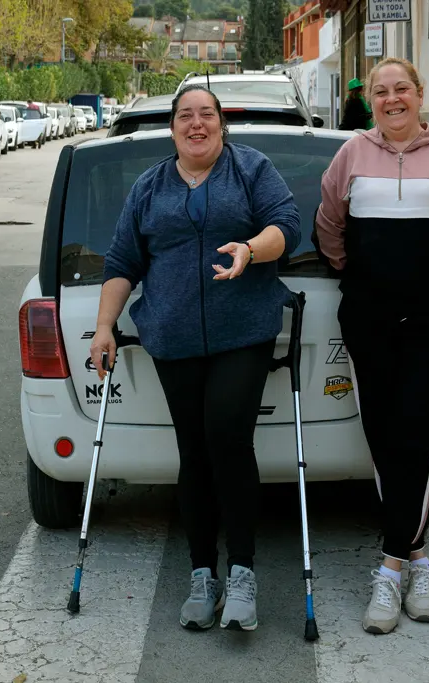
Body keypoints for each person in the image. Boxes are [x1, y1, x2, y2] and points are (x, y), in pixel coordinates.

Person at [90, 85, 301, 633]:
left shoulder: (251, 169)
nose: (196, 123)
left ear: (221, 122)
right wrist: (105, 326)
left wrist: (252, 249)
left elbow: (288, 226)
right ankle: (202, 572)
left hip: (243, 332)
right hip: (174, 337)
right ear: (173, 127)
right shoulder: (149, 185)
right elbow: (122, 260)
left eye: (206, 114)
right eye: (186, 116)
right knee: (194, 449)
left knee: (227, 437)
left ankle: (244, 573)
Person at [314, 57, 429, 634]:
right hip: (369, 318)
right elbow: (329, 228)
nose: (391, 100)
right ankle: (420, 557)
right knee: (383, 432)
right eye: (381, 92)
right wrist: (364, 276)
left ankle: (390, 568)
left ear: (419, 95)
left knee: (418, 429)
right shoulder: (351, 155)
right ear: (372, 101)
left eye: (402, 90)